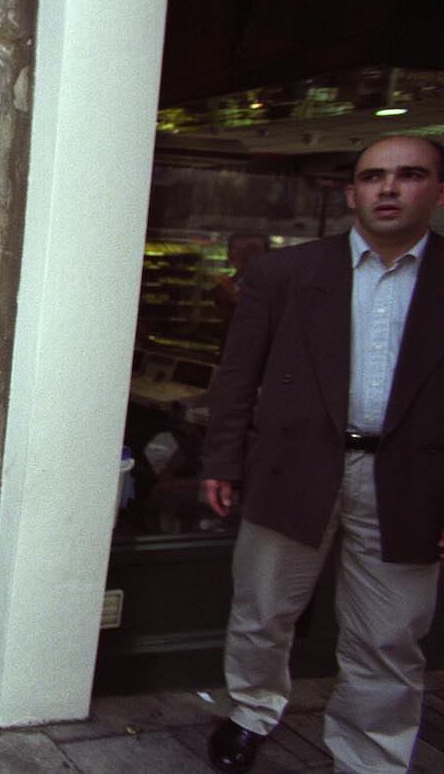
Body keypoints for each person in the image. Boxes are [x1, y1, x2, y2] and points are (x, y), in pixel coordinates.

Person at [201, 135, 444, 774]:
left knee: (390, 636)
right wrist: (222, 460)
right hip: (292, 467)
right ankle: (252, 710)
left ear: (438, 191)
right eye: (372, 177)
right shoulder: (284, 273)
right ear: (351, 193)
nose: (388, 188)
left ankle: (369, 757)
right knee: (262, 610)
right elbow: (236, 375)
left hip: (411, 480)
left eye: (410, 175)